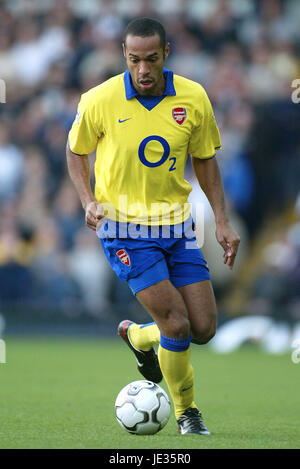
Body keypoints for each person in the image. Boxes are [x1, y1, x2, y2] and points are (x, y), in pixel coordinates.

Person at [66, 17, 240, 435]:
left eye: (150, 59)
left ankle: (141, 338)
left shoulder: (193, 98)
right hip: (124, 228)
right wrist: (88, 201)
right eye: (133, 59)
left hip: (177, 227)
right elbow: (76, 152)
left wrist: (221, 220)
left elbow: (205, 160)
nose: (142, 69)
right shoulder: (100, 99)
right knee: (176, 323)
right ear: (124, 56)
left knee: (203, 328)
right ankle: (187, 413)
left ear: (166, 53)